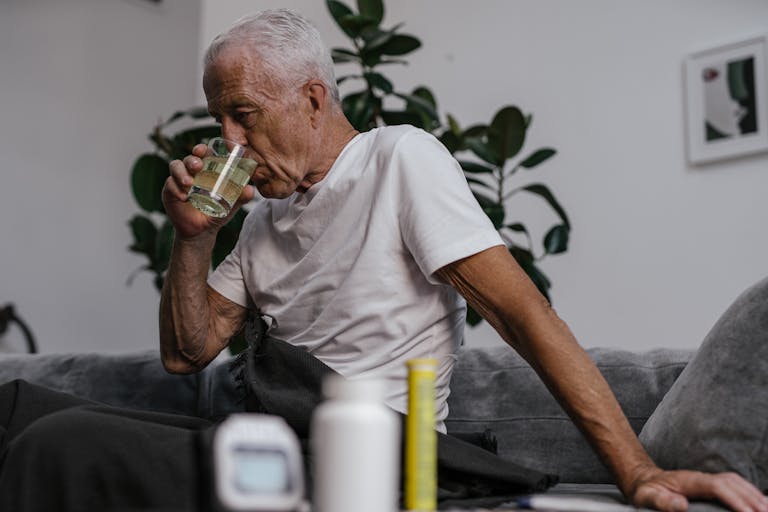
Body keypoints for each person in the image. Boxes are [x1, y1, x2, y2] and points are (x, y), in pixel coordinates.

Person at [158, 8, 766, 512]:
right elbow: (186, 353)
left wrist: (637, 472)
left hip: (379, 461)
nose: (228, 142)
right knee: (64, 418)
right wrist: (192, 238)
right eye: (220, 120)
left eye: (244, 114)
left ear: (314, 99)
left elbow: (523, 315)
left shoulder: (399, 160)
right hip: (277, 447)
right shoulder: (263, 219)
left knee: (80, 439)